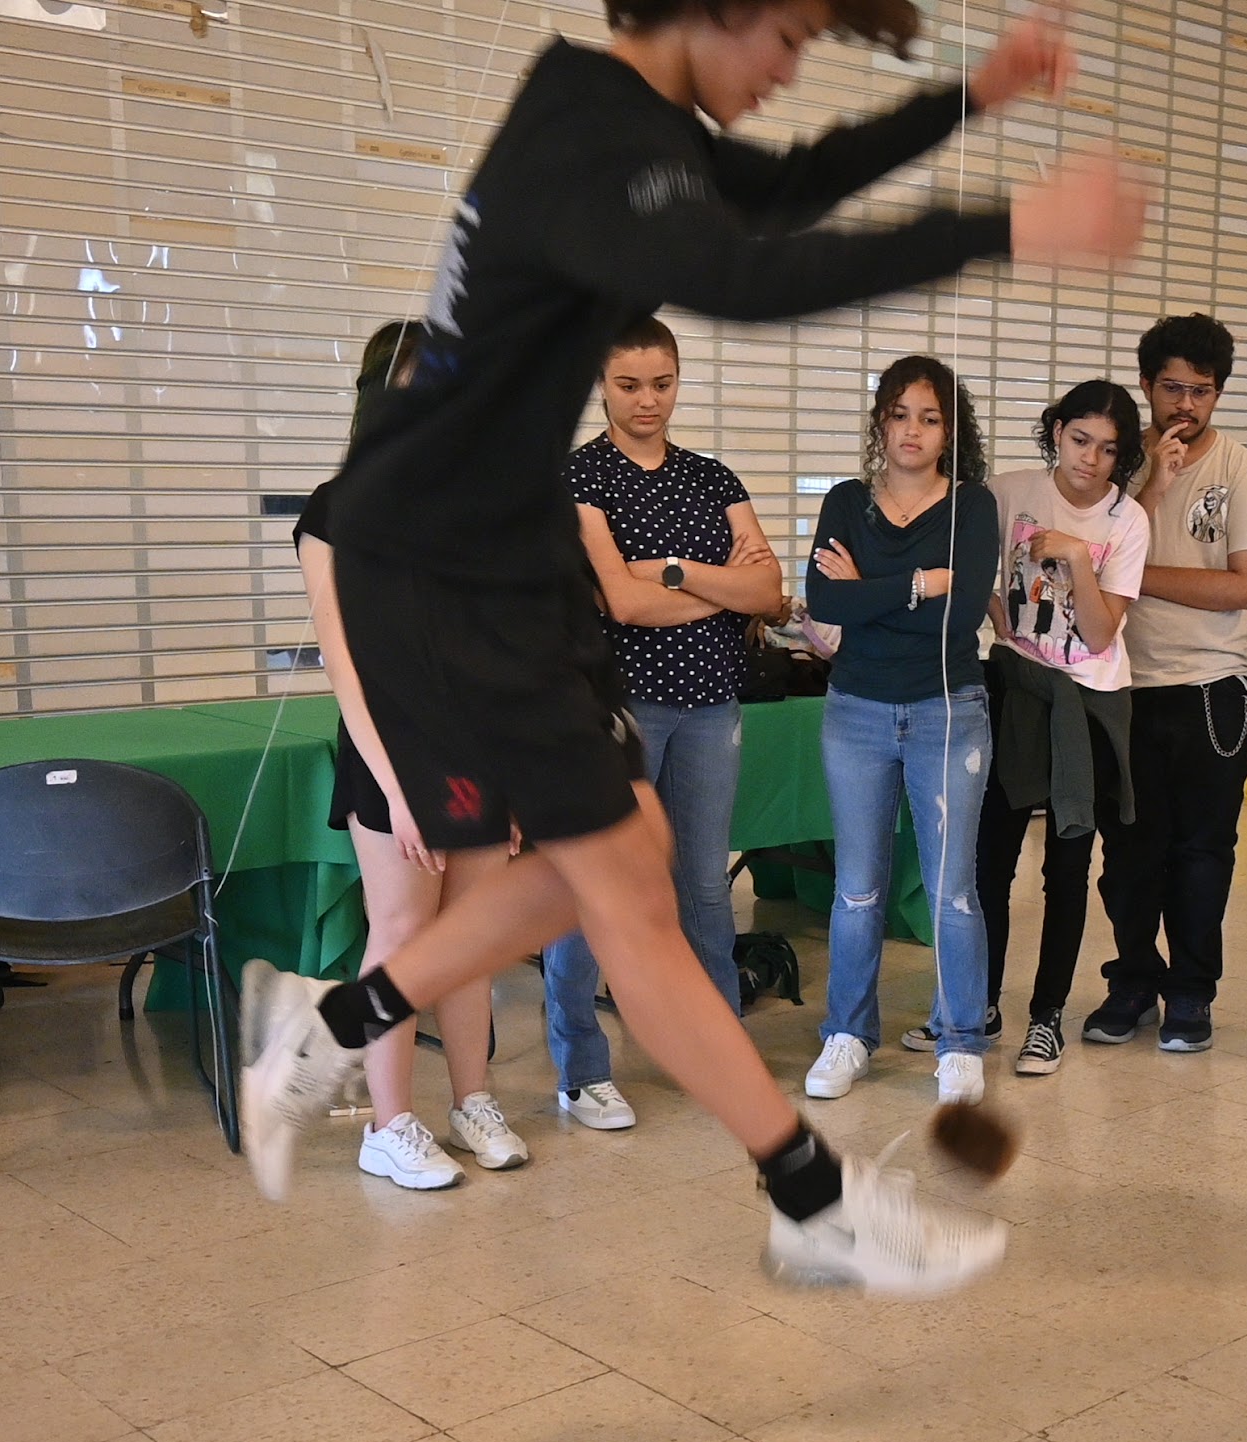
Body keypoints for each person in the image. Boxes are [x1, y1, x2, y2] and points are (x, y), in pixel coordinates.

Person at [235, 0, 1144, 1302]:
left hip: (500, 553)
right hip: (439, 555)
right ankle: (812, 1201)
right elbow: (750, 276)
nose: (785, 74)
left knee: (620, 867)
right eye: (782, 40)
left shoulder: (635, 129)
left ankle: (325, 1027)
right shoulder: (589, 136)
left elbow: (785, 189)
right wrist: (1012, 225)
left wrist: (973, 97)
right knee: (630, 898)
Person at [289, 323, 533, 1192]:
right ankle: (388, 1126)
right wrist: (393, 788)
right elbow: (344, 667)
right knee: (399, 937)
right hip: (390, 755)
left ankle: (473, 1101)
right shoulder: (335, 509)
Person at [535, 317, 782, 1133]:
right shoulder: (579, 479)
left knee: (705, 885)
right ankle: (582, 1068)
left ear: (679, 381)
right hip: (618, 707)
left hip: (713, 701)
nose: (647, 401)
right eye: (628, 384)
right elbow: (624, 603)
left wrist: (674, 570)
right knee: (597, 889)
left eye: (662, 383)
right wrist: (720, 586)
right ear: (600, 386)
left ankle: (719, 1048)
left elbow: (770, 593)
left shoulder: (712, 477)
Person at [800, 355, 1000, 1106]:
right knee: (856, 891)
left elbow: (970, 606)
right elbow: (824, 598)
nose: (912, 430)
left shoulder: (972, 506)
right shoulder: (848, 502)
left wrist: (868, 594)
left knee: (953, 892)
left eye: (930, 417)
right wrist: (921, 583)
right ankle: (846, 1034)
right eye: (899, 413)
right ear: (880, 419)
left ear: (950, 431)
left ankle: (959, 1043)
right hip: (855, 712)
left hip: (949, 712)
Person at [1083, 313, 1247, 1055]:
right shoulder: (1118, 468)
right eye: (1172, 389)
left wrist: (1129, 576)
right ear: (1146, 387)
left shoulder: (1240, 471)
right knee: (1129, 852)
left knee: (1202, 853)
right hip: (1121, 685)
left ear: (1219, 394)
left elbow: (1243, 588)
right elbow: (1087, 562)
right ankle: (1133, 981)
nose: (1185, 407)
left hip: (1211, 688)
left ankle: (1192, 992)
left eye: (1201, 391)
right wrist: (1148, 491)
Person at [975, 380, 1150, 1076]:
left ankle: (1045, 1018)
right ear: (1056, 433)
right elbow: (967, 571)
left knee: (1069, 866)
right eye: (1080, 440)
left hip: (1091, 701)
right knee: (991, 856)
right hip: (1019, 689)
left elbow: (1104, 634)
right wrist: (996, 616)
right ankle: (979, 1005)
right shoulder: (1007, 490)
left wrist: (1077, 557)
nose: (1090, 459)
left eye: (1109, 450)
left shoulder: (1127, 522)